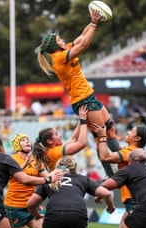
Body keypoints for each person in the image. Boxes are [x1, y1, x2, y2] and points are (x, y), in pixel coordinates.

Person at [37, 9, 119, 177]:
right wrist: (95, 24)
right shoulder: (59, 58)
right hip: (83, 100)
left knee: (110, 129)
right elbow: (83, 45)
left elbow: (80, 38)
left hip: (88, 96)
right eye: (59, 39)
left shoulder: (62, 50)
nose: (62, 40)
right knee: (100, 136)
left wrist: (91, 22)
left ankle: (124, 163)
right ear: (54, 45)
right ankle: (112, 175)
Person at [27, 155, 115, 228]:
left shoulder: (50, 180)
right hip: (77, 214)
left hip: (55, 213)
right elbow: (107, 194)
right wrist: (110, 207)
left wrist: (36, 215)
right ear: (75, 168)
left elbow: (30, 203)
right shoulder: (82, 179)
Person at [30, 105, 88, 228]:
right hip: (65, 196)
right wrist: (84, 121)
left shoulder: (52, 151)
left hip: (57, 196)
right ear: (50, 141)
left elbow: (72, 138)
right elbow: (82, 143)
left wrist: (82, 121)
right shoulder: (55, 152)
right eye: (56, 134)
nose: (59, 134)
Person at [4, 133, 47, 228]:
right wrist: (24, 164)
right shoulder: (11, 159)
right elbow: (17, 178)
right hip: (14, 206)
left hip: (31, 206)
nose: (27, 141)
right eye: (23, 140)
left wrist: (59, 177)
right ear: (17, 145)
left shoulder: (37, 160)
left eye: (28, 140)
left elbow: (47, 176)